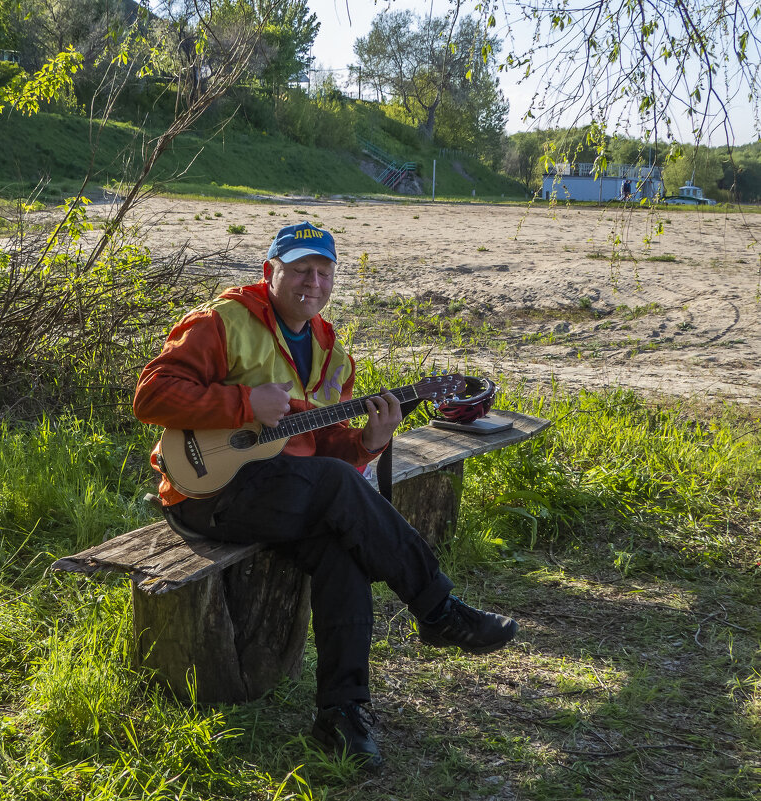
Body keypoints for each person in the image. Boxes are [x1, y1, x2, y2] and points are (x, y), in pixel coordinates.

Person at [132, 221, 518, 769]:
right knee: (337, 491)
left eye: (322, 272)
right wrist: (242, 405)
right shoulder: (222, 322)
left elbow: (327, 454)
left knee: (342, 554)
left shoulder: (333, 354)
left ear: (333, 280)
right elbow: (151, 395)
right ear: (271, 272)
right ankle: (437, 609)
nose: (311, 282)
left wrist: (367, 441)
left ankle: (342, 714)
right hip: (205, 492)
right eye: (299, 270)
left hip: (285, 493)